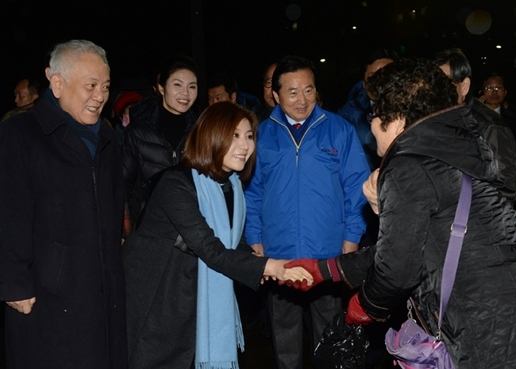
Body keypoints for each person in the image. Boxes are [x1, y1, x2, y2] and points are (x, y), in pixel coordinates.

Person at [286, 57, 516, 368]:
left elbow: (398, 266)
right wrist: (327, 269)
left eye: (375, 113)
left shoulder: (409, 167)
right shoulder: (451, 152)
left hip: (489, 325)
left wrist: (364, 305)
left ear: (397, 118)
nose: (371, 124)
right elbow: (416, 243)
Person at [122, 101, 312, 369]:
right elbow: (211, 248)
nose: (244, 146)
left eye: (248, 136)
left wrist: (269, 265)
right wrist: (269, 267)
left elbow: (235, 244)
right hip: (158, 298)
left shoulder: (231, 185)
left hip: (194, 298)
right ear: (212, 135)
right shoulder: (176, 184)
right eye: (234, 135)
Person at [0, 40, 127, 369]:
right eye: (90, 85)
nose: (100, 96)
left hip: (102, 287)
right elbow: (9, 212)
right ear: (56, 83)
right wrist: (13, 282)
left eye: (105, 86)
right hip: (47, 293)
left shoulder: (108, 137)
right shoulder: (20, 134)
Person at [244, 55, 369, 369]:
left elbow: (357, 188)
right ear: (275, 95)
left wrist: (351, 238)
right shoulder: (260, 135)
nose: (302, 100)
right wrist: (254, 236)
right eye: (293, 92)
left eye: (309, 90)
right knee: (283, 337)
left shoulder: (339, 130)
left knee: (327, 337)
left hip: (326, 255)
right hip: (279, 255)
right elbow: (252, 191)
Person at [121, 56, 201, 225]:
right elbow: (122, 188)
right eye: (177, 84)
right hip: (148, 233)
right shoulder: (137, 134)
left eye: (192, 87)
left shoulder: (201, 133)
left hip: (190, 232)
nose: (185, 93)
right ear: (161, 87)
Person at [434, 48, 516, 204]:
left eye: (446, 83)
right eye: (434, 83)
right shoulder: (433, 120)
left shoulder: (490, 126)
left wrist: (467, 217)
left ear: (464, 86)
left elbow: (506, 187)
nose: (437, 90)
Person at [480, 73, 516, 214]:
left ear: (505, 93)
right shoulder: (471, 119)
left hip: (510, 186)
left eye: (498, 88)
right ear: (481, 92)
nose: (494, 92)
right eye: (489, 88)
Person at [337, 49, 397, 171]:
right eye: (373, 77)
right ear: (364, 83)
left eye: (387, 75)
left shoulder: (417, 109)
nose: (380, 83)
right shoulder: (346, 119)